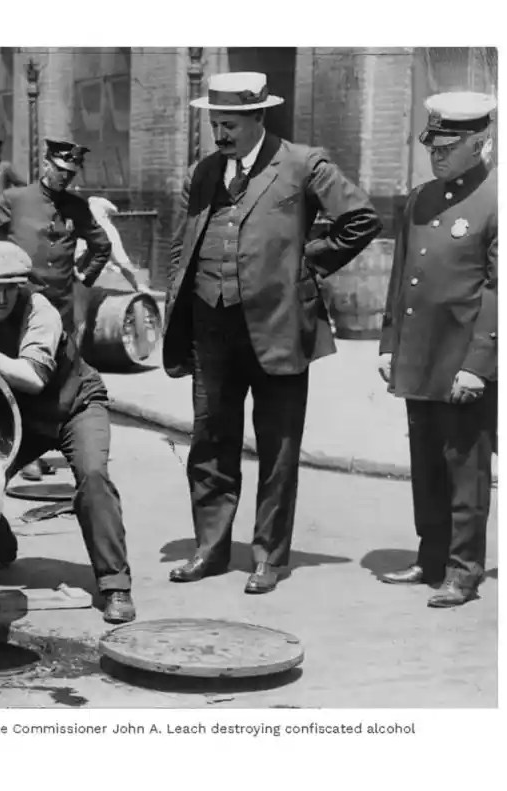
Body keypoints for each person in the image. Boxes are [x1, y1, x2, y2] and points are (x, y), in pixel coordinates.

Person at [162, 72, 382, 594]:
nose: (221, 134)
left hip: (279, 324)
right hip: (211, 325)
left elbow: (361, 219)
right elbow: (184, 241)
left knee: (278, 447)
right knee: (210, 440)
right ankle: (210, 550)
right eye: (215, 123)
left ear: (260, 117)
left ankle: (269, 556)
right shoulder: (206, 170)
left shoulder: (304, 163)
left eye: (231, 124)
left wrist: (306, 265)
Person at [0, 240, 135, 624]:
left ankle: (116, 585)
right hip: (23, 419)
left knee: (94, 478)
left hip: (75, 406)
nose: (2, 297)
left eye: (11, 287)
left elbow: (33, 377)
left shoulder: (38, 309)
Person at [377, 92, 498, 608]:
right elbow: (401, 275)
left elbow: (501, 290)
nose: (437, 153)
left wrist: (478, 365)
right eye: (433, 144)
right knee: (425, 462)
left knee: (464, 468)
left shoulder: (499, 199)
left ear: (480, 143)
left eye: (450, 145)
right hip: (419, 356)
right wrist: (389, 344)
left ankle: (464, 570)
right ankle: (431, 558)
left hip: (463, 361)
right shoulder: (422, 198)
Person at [0, 138, 113, 482]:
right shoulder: (17, 199)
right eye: (58, 170)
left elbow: (101, 246)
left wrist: (82, 278)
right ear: (45, 165)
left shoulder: (76, 206)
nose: (63, 179)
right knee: (20, 378)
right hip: (20, 307)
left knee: (60, 378)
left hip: (63, 310)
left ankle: (66, 445)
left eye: (69, 174)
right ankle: (24, 451)